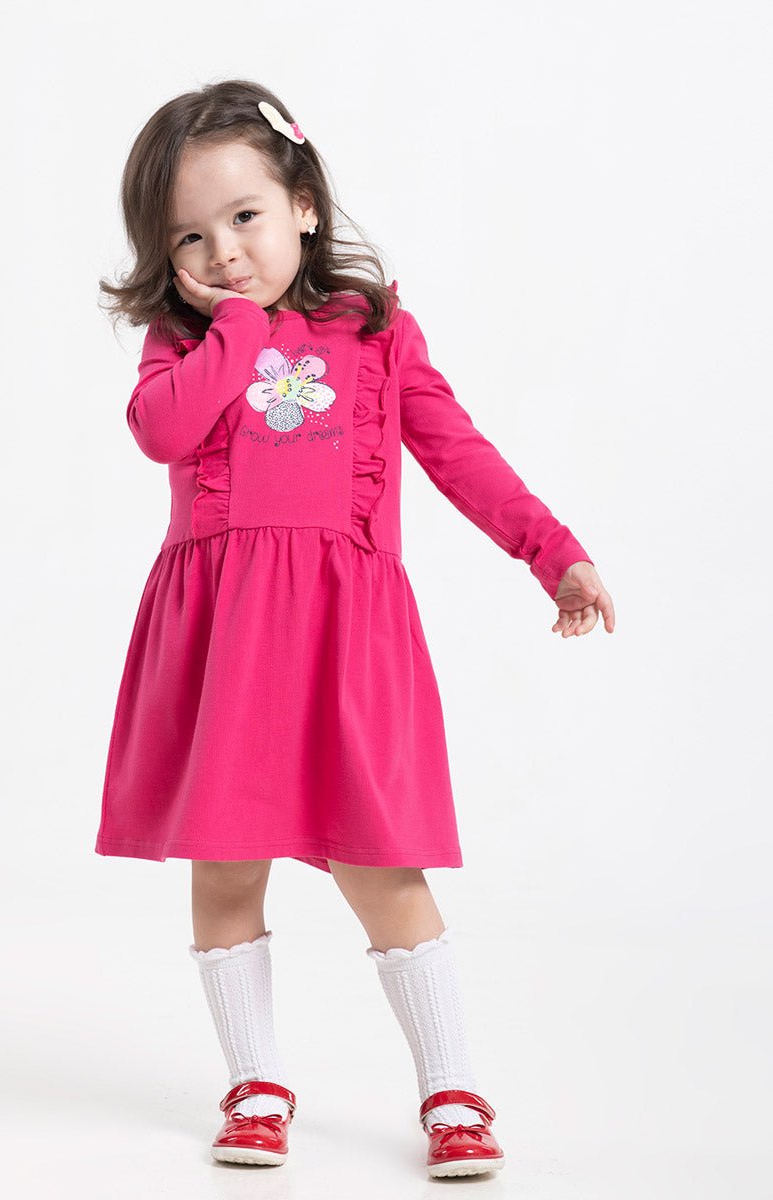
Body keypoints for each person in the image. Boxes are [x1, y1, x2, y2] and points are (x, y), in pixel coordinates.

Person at [94, 79, 615, 1178]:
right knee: (225, 868)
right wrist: (236, 328)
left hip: (345, 637)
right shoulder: (183, 342)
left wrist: (551, 550)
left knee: (383, 866)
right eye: (191, 236)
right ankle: (255, 1086)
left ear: (304, 205)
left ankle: (452, 1088)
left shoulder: (375, 333)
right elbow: (161, 432)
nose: (225, 251)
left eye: (245, 217)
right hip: (225, 644)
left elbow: (459, 452)